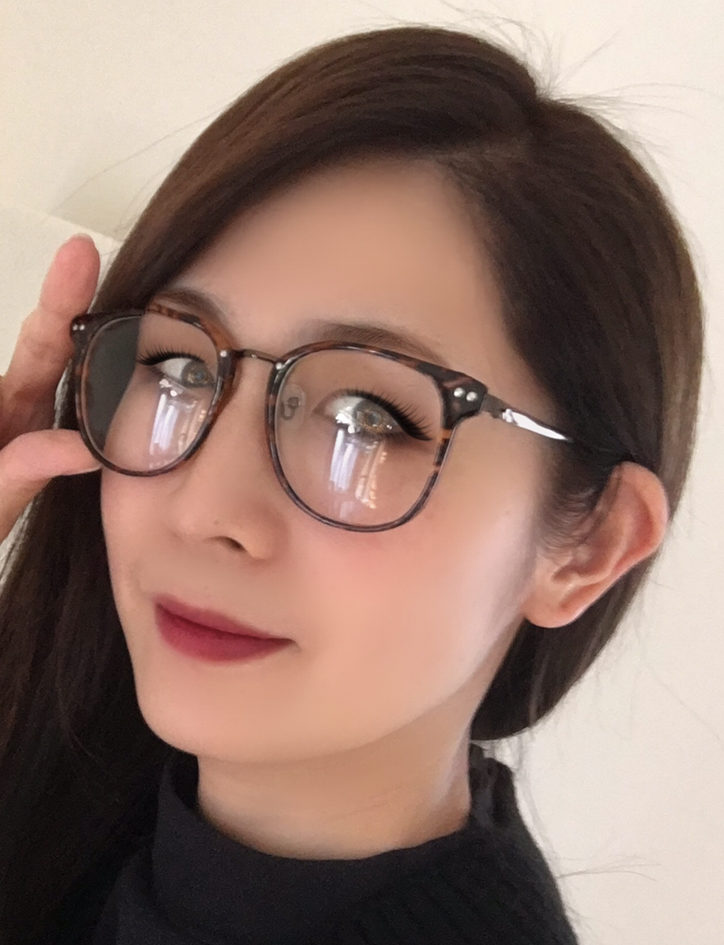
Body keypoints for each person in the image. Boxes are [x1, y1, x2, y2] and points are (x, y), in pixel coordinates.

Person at [0, 22, 703, 945]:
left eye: (367, 418)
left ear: (589, 544)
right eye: (180, 368)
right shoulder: (63, 807)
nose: (207, 509)